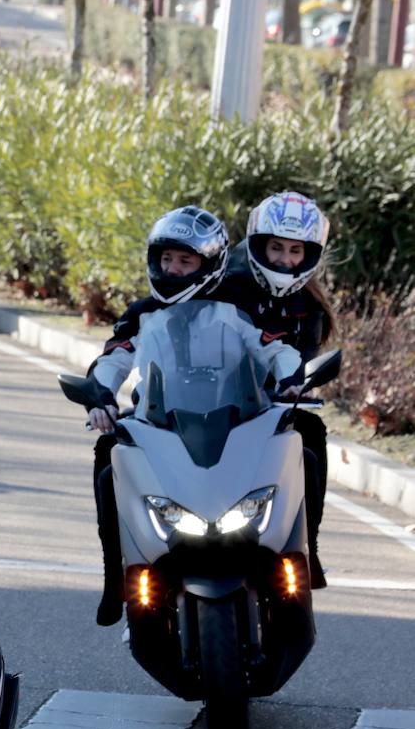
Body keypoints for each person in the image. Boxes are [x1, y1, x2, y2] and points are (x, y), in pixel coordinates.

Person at [84, 206, 305, 626]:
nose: (173, 268)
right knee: (107, 465)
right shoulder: (141, 314)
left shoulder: (239, 309)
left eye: (185, 260)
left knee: (298, 449)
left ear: (210, 263)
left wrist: (291, 379)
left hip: (235, 420)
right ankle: (116, 580)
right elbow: (112, 360)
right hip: (160, 421)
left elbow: (275, 347)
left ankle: (291, 563)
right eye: (166, 258)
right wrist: (100, 398)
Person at [216, 191, 335, 588]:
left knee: (312, 436)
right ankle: (131, 574)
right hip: (210, 402)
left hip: (269, 410)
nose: (285, 259)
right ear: (258, 244)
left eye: (295, 250)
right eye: (276, 247)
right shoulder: (224, 284)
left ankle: (307, 550)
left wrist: (296, 388)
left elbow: (301, 367)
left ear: (310, 254)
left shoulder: (310, 307)